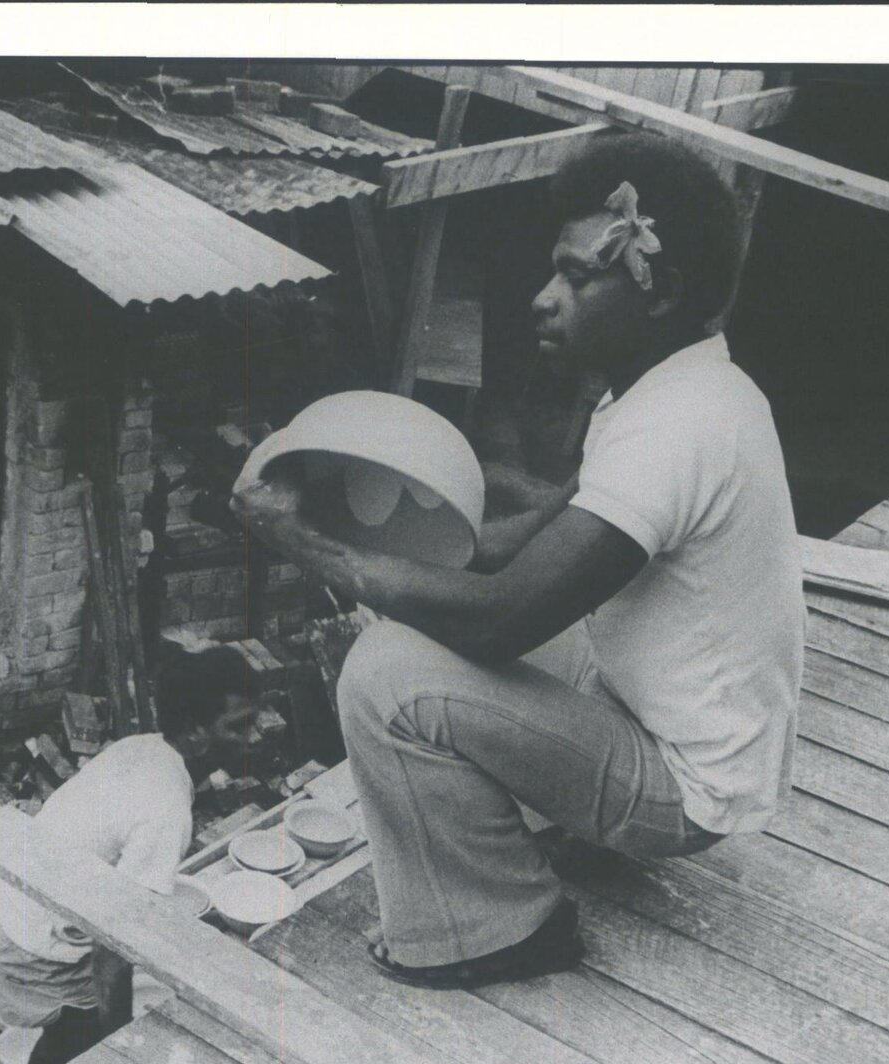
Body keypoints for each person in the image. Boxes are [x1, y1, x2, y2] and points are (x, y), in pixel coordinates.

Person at [231, 132, 805, 989]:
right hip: (652, 706)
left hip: (684, 789)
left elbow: (499, 620)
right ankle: (526, 836)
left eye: (576, 278)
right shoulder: (685, 388)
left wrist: (300, 542)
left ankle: (496, 928)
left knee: (386, 672)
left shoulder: (677, 428)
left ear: (661, 292)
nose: (543, 299)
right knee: (420, 615)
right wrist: (365, 504)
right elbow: (513, 544)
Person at [0, 643, 258, 1064]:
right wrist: (121, 1044)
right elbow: (114, 948)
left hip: (9, 903)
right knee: (81, 1042)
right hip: (28, 948)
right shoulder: (166, 809)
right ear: (196, 732)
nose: (254, 737)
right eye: (238, 726)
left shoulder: (141, 747)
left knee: (87, 1032)